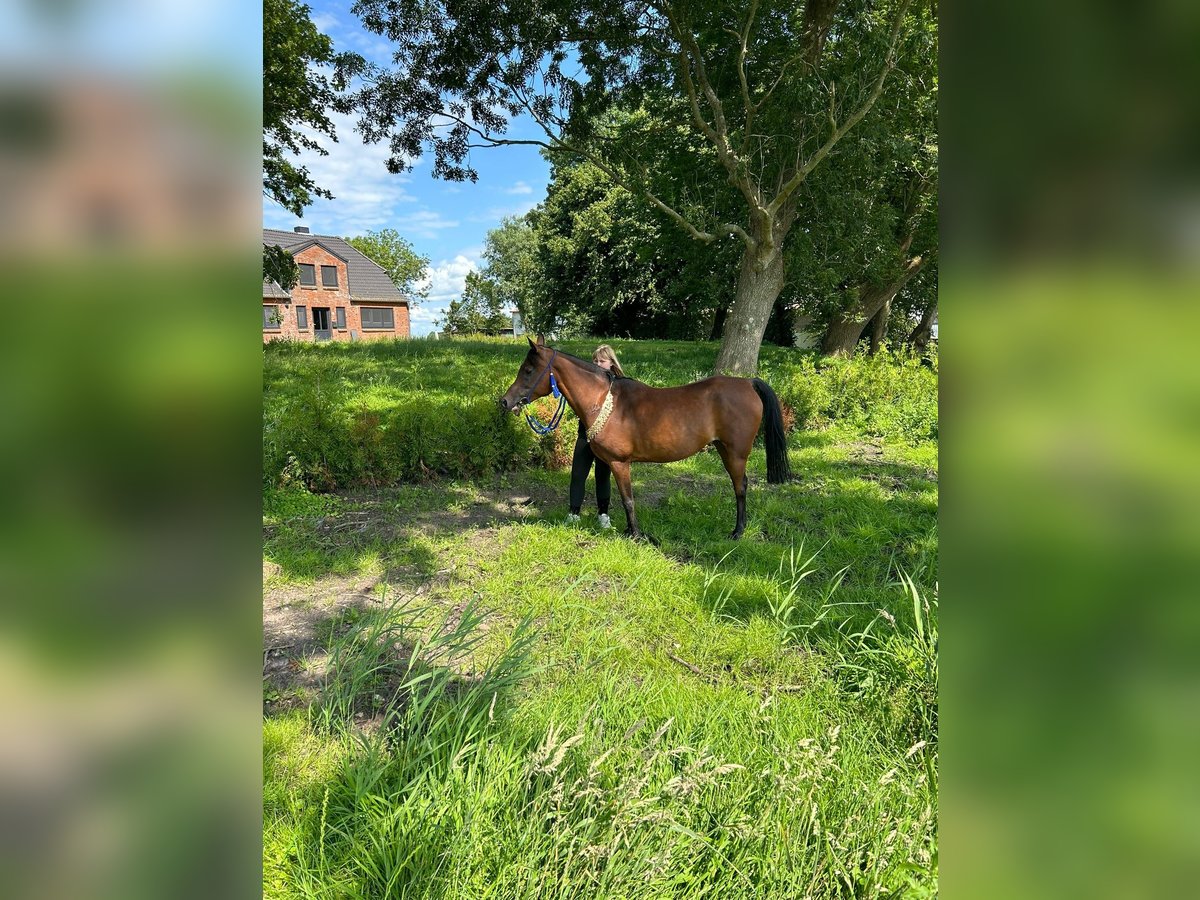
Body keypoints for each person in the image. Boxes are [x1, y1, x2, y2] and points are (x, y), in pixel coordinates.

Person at [567, 344, 626, 528]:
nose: (598, 364)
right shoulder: (585, 383)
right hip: (585, 435)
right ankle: (574, 513)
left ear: (611, 363)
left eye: (602, 360)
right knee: (578, 474)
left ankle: (603, 514)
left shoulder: (619, 385)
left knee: (603, 475)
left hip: (606, 439)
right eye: (595, 360)